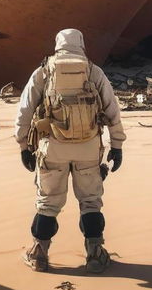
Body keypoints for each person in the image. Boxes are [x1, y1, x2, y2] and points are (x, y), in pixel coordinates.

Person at [14, 28, 126, 273]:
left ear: (57, 45)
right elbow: (112, 109)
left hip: (53, 146)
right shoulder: (93, 71)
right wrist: (117, 145)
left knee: (48, 203)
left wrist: (23, 145)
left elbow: (24, 111)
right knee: (90, 202)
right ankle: (95, 254)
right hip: (88, 148)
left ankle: (39, 254)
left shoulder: (44, 71)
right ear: (81, 44)